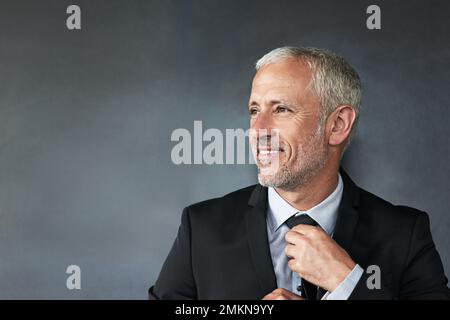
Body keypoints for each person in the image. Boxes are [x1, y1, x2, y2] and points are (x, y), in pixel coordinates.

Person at [149, 47, 450, 299]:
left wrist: (348, 283)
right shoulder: (201, 228)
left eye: (281, 109)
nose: (257, 130)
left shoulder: (405, 234)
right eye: (254, 110)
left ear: (337, 125)